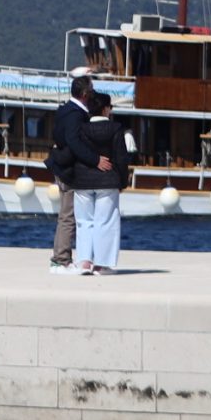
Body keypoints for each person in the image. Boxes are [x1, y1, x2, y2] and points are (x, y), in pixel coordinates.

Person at [67, 90, 129, 274]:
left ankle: (84, 262)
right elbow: (121, 158)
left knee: (84, 221)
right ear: (105, 109)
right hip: (108, 181)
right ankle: (101, 265)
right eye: (110, 107)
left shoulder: (81, 128)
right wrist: (122, 181)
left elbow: (76, 152)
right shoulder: (115, 128)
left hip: (82, 180)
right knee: (106, 222)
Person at [48, 71, 95, 273]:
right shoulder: (76, 114)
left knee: (65, 215)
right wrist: (94, 159)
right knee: (68, 216)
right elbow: (74, 141)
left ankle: (61, 257)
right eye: (91, 91)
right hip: (68, 169)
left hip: (59, 165)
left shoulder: (64, 110)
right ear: (84, 94)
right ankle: (61, 259)